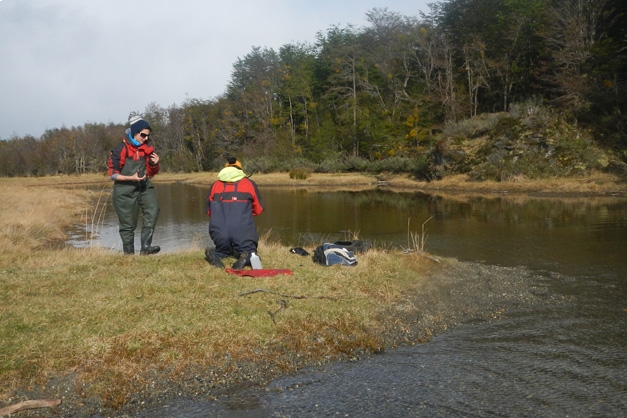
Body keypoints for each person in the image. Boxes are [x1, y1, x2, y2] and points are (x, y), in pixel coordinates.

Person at [107, 115, 161, 255]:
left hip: (143, 187)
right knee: (128, 225)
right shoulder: (121, 149)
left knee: (153, 209)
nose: (146, 138)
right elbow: (112, 174)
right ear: (134, 133)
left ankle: (145, 248)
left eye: (147, 136)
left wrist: (154, 164)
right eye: (143, 135)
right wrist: (131, 177)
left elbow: (151, 172)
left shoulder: (147, 149)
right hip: (124, 191)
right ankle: (129, 256)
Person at [205, 157, 264, 269]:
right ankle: (247, 255)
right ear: (240, 170)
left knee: (223, 250)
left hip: (219, 235)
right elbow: (259, 209)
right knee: (250, 251)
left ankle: (216, 254)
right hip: (243, 232)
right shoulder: (249, 184)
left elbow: (209, 211)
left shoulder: (215, 185)